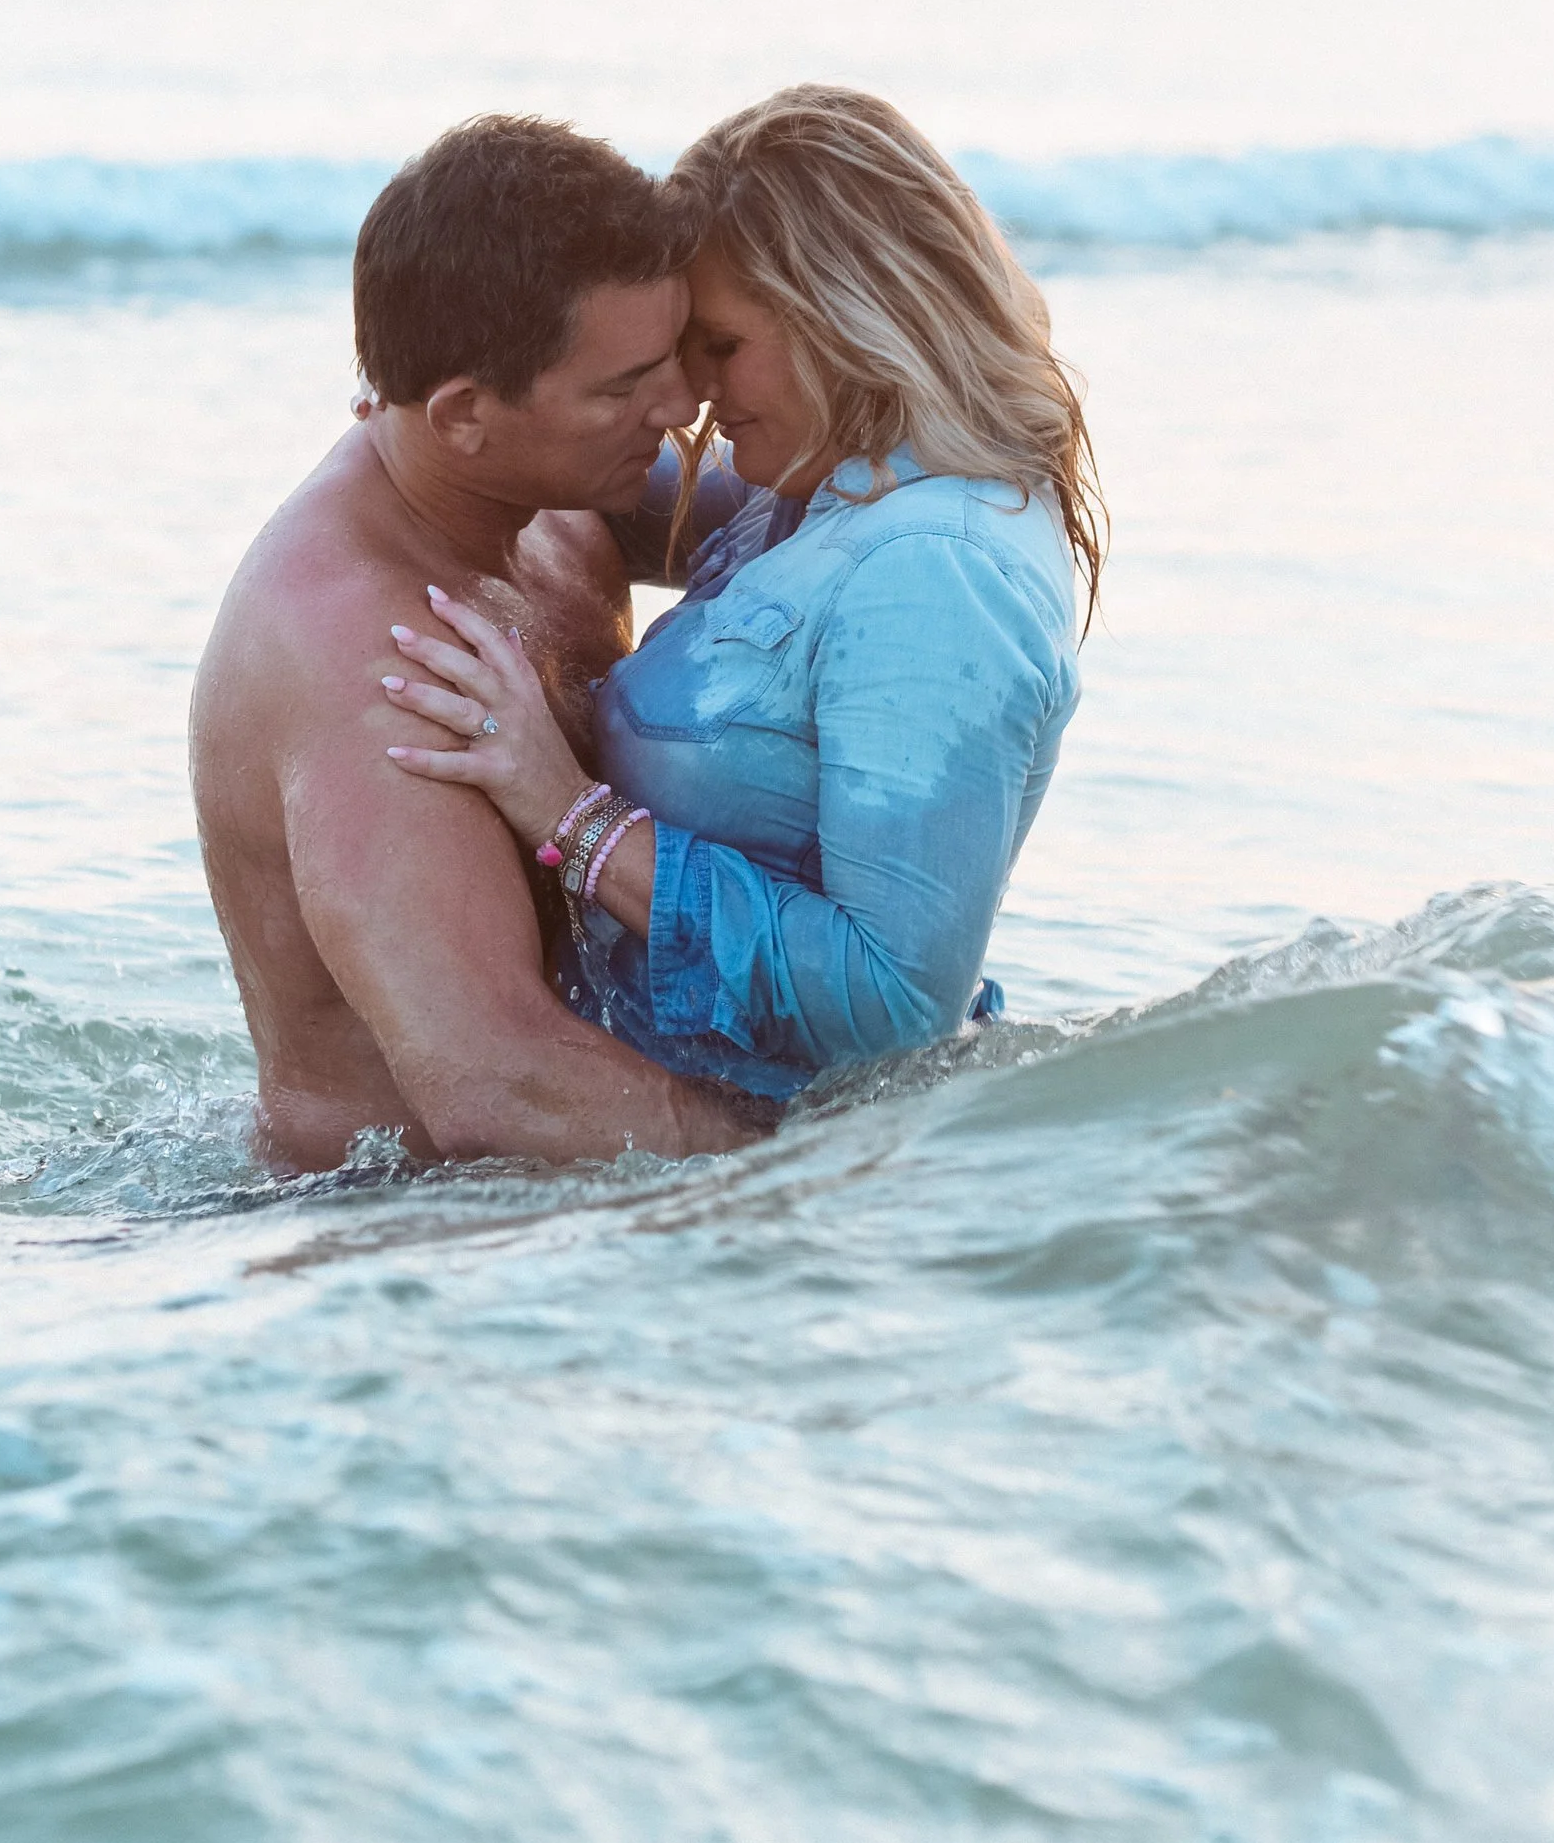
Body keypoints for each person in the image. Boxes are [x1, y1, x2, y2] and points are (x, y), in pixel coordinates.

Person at [381, 84, 1103, 1121]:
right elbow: (610, 485)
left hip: (773, 1169)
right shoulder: (840, 476)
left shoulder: (937, 575)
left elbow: (893, 1005)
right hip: (670, 1120)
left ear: (847, 316)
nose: (692, 394)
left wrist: (572, 817)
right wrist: (449, 403)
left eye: (719, 345)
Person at [189, 115, 760, 1173]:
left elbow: (823, 509)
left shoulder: (541, 493)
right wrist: (840, 1160)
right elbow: (494, 1083)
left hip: (540, 1201)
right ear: (461, 415)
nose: (684, 407)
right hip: (393, 1232)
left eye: (674, 357)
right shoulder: (370, 653)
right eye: (624, 386)